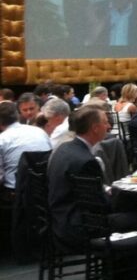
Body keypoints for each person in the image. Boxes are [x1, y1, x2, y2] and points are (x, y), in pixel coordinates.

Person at [47, 105, 128, 249]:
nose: (109, 126)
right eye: (105, 122)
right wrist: (120, 196)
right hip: (78, 227)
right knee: (136, 217)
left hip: (59, 219)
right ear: (95, 128)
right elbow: (99, 205)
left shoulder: (64, 148)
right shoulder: (87, 161)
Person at [1, 102, 52, 196]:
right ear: (18, 116)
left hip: (14, 194)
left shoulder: (2, 139)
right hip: (43, 191)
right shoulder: (39, 131)